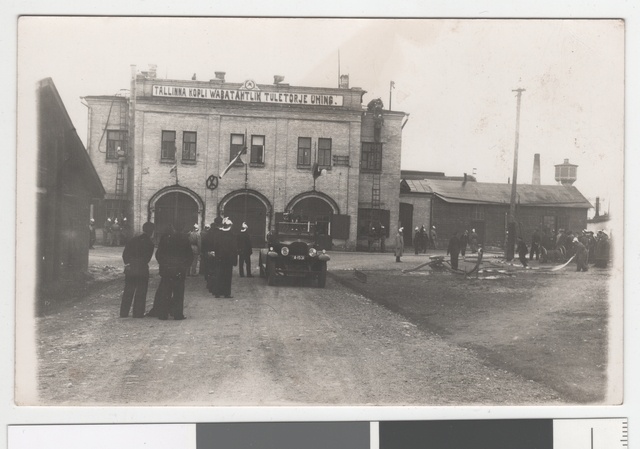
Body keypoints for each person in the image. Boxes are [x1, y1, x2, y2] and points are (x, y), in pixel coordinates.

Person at [154, 223, 193, 320]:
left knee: (165, 292)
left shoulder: (166, 239)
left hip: (167, 269)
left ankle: (163, 314)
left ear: (173, 228)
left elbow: (159, 254)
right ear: (183, 228)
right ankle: (178, 314)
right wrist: (184, 266)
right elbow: (189, 256)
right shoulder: (185, 240)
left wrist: (163, 265)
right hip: (179, 269)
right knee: (179, 293)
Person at [119, 222, 155, 318]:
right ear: (151, 231)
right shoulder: (150, 243)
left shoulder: (133, 240)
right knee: (141, 291)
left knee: (128, 290)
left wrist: (128, 263)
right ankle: (138, 313)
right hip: (142, 269)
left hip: (131, 269)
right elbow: (147, 259)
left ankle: (124, 312)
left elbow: (125, 254)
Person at [213, 217, 238, 298]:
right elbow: (234, 249)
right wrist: (234, 260)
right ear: (230, 225)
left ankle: (217, 292)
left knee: (219, 275)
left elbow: (215, 246)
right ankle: (226, 293)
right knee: (227, 276)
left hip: (219, 258)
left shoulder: (218, 234)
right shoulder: (232, 235)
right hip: (228, 259)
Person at [203, 217, 222, 294]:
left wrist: (206, 251)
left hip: (209, 252)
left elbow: (204, 242)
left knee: (210, 269)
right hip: (217, 253)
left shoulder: (209, 232)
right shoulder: (220, 233)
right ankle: (215, 287)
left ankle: (209, 285)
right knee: (217, 270)